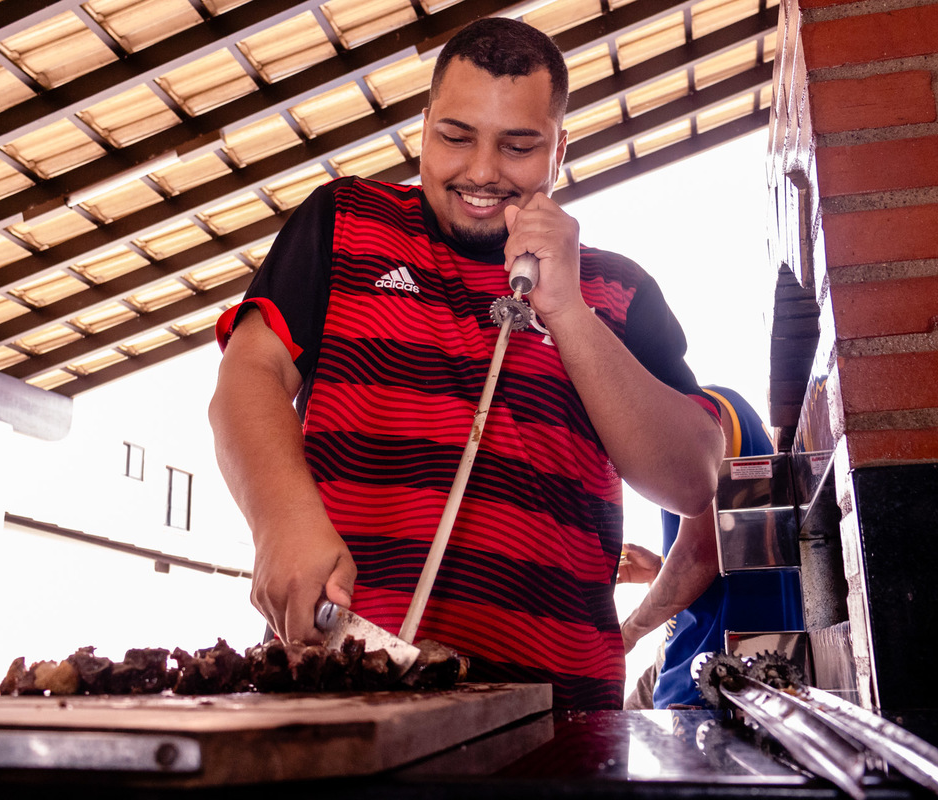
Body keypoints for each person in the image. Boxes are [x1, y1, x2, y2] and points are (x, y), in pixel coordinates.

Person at [208, 17, 725, 710]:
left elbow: (692, 479)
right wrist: (281, 522)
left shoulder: (618, 290)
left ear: (559, 148)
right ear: (423, 128)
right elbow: (247, 378)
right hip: (344, 692)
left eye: (518, 146)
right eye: (456, 137)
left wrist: (567, 309)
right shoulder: (344, 220)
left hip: (562, 719)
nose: (482, 172)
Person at [619, 385, 803, 708]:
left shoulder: (703, 418)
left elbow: (697, 556)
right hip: (682, 662)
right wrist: (661, 571)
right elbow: (720, 554)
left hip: (709, 680)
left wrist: (626, 633)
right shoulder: (723, 413)